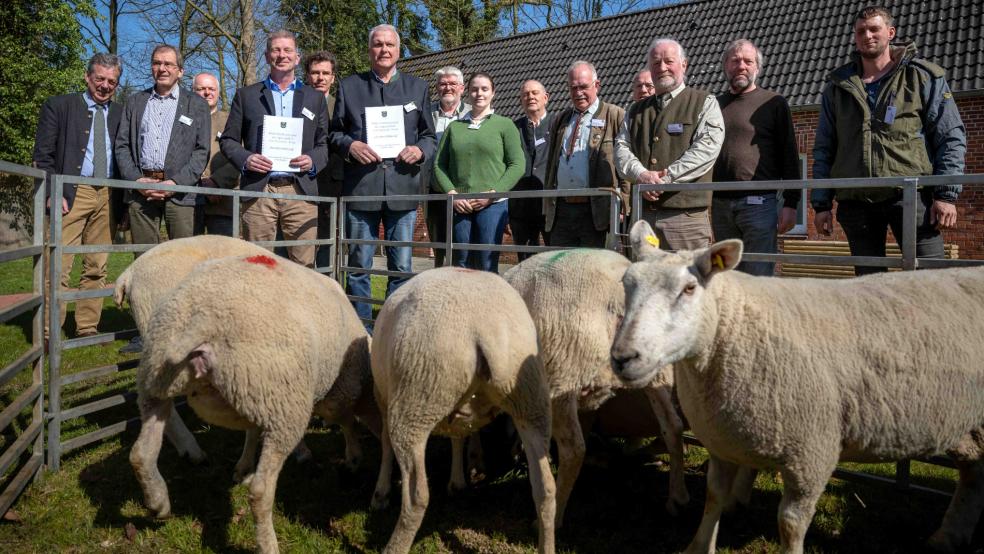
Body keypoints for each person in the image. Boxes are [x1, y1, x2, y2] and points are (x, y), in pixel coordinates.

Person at [811, 5, 966, 275]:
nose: (868, 35)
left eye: (874, 29)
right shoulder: (837, 87)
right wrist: (822, 203)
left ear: (890, 32)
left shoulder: (923, 77)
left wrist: (946, 194)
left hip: (911, 196)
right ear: (855, 38)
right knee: (869, 285)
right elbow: (825, 147)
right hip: (856, 199)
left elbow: (950, 136)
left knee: (931, 278)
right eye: (861, 31)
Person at [330, 24, 436, 324]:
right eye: (378, 44)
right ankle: (362, 332)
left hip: (402, 189)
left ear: (398, 50)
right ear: (369, 50)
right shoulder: (350, 87)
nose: (384, 50)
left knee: (401, 267)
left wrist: (419, 151)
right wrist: (351, 145)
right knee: (359, 265)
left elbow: (429, 136)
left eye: (390, 44)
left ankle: (392, 329)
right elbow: (334, 134)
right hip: (362, 188)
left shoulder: (418, 88)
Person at [33, 53, 124, 339]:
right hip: (71, 192)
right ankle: (49, 330)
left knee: (97, 265)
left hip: (109, 193)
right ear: (87, 77)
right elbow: (42, 156)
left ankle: (87, 327)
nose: (105, 86)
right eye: (100, 79)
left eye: (112, 81)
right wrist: (51, 191)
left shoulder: (122, 113)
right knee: (58, 265)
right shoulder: (59, 106)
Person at [221, 30, 330, 267]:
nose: (282, 55)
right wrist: (246, 159)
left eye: (288, 50)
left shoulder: (315, 98)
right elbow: (228, 140)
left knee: (303, 266)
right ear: (267, 55)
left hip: (300, 190)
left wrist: (312, 161)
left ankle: (299, 306)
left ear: (297, 57)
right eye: (276, 50)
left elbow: (324, 145)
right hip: (260, 190)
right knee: (257, 265)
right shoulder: (246, 95)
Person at [615, 38, 724, 250]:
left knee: (690, 281)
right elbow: (621, 148)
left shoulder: (705, 102)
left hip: (685, 219)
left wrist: (666, 178)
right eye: (656, 63)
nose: (662, 67)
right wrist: (641, 175)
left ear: (684, 64)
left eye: (669, 61)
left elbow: (706, 149)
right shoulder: (634, 110)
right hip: (643, 218)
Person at [713, 39, 801, 276]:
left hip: (759, 204)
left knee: (758, 275)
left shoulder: (773, 103)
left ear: (757, 68)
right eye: (735, 60)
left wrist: (792, 203)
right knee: (724, 275)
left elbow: (790, 154)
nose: (741, 65)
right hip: (719, 205)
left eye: (747, 61)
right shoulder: (713, 105)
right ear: (725, 66)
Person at [115, 44, 211, 249]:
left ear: (180, 71)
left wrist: (175, 183)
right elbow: (122, 146)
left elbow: (202, 151)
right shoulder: (134, 102)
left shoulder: (197, 104)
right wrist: (137, 180)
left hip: (181, 193)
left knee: (184, 259)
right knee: (144, 259)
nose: (162, 68)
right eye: (157, 63)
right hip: (141, 192)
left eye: (168, 64)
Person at [433, 72, 524, 272]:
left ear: (493, 93)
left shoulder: (505, 125)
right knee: (460, 263)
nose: (479, 93)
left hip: (493, 205)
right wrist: (452, 194)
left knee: (486, 263)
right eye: (474, 89)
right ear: (467, 93)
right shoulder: (455, 128)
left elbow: (517, 164)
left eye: (484, 89)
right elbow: (439, 165)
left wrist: (494, 193)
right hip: (460, 205)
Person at [543, 61, 627, 248]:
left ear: (596, 85)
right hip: (562, 211)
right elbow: (551, 166)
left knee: (592, 268)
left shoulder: (615, 115)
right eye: (573, 88)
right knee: (560, 265)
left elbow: (625, 164)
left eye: (583, 87)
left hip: (596, 211)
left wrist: (625, 205)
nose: (578, 93)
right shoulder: (561, 119)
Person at [425, 66, 470, 267]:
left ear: (462, 88)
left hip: (463, 191)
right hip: (433, 190)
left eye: (452, 84)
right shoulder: (425, 114)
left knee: (463, 245)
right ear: (437, 87)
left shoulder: (472, 113)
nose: (447, 88)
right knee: (438, 242)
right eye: (443, 84)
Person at [304, 50, 343, 269]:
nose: (320, 78)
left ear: (333, 77)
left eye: (325, 73)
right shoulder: (296, 103)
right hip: (301, 183)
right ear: (308, 76)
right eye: (315, 73)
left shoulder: (340, 106)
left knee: (330, 246)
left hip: (333, 185)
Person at [510, 79, 553, 261]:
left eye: (535, 93)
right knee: (526, 260)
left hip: (549, 204)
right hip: (521, 206)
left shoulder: (558, 124)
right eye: (526, 94)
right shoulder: (512, 128)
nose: (530, 97)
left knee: (554, 256)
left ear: (546, 98)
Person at [192, 72, 240, 237]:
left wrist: (216, 182)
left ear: (218, 92)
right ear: (193, 91)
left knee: (223, 257)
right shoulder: (182, 120)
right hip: (189, 201)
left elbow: (241, 157)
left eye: (211, 88)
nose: (207, 93)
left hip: (223, 201)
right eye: (201, 89)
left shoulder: (231, 121)